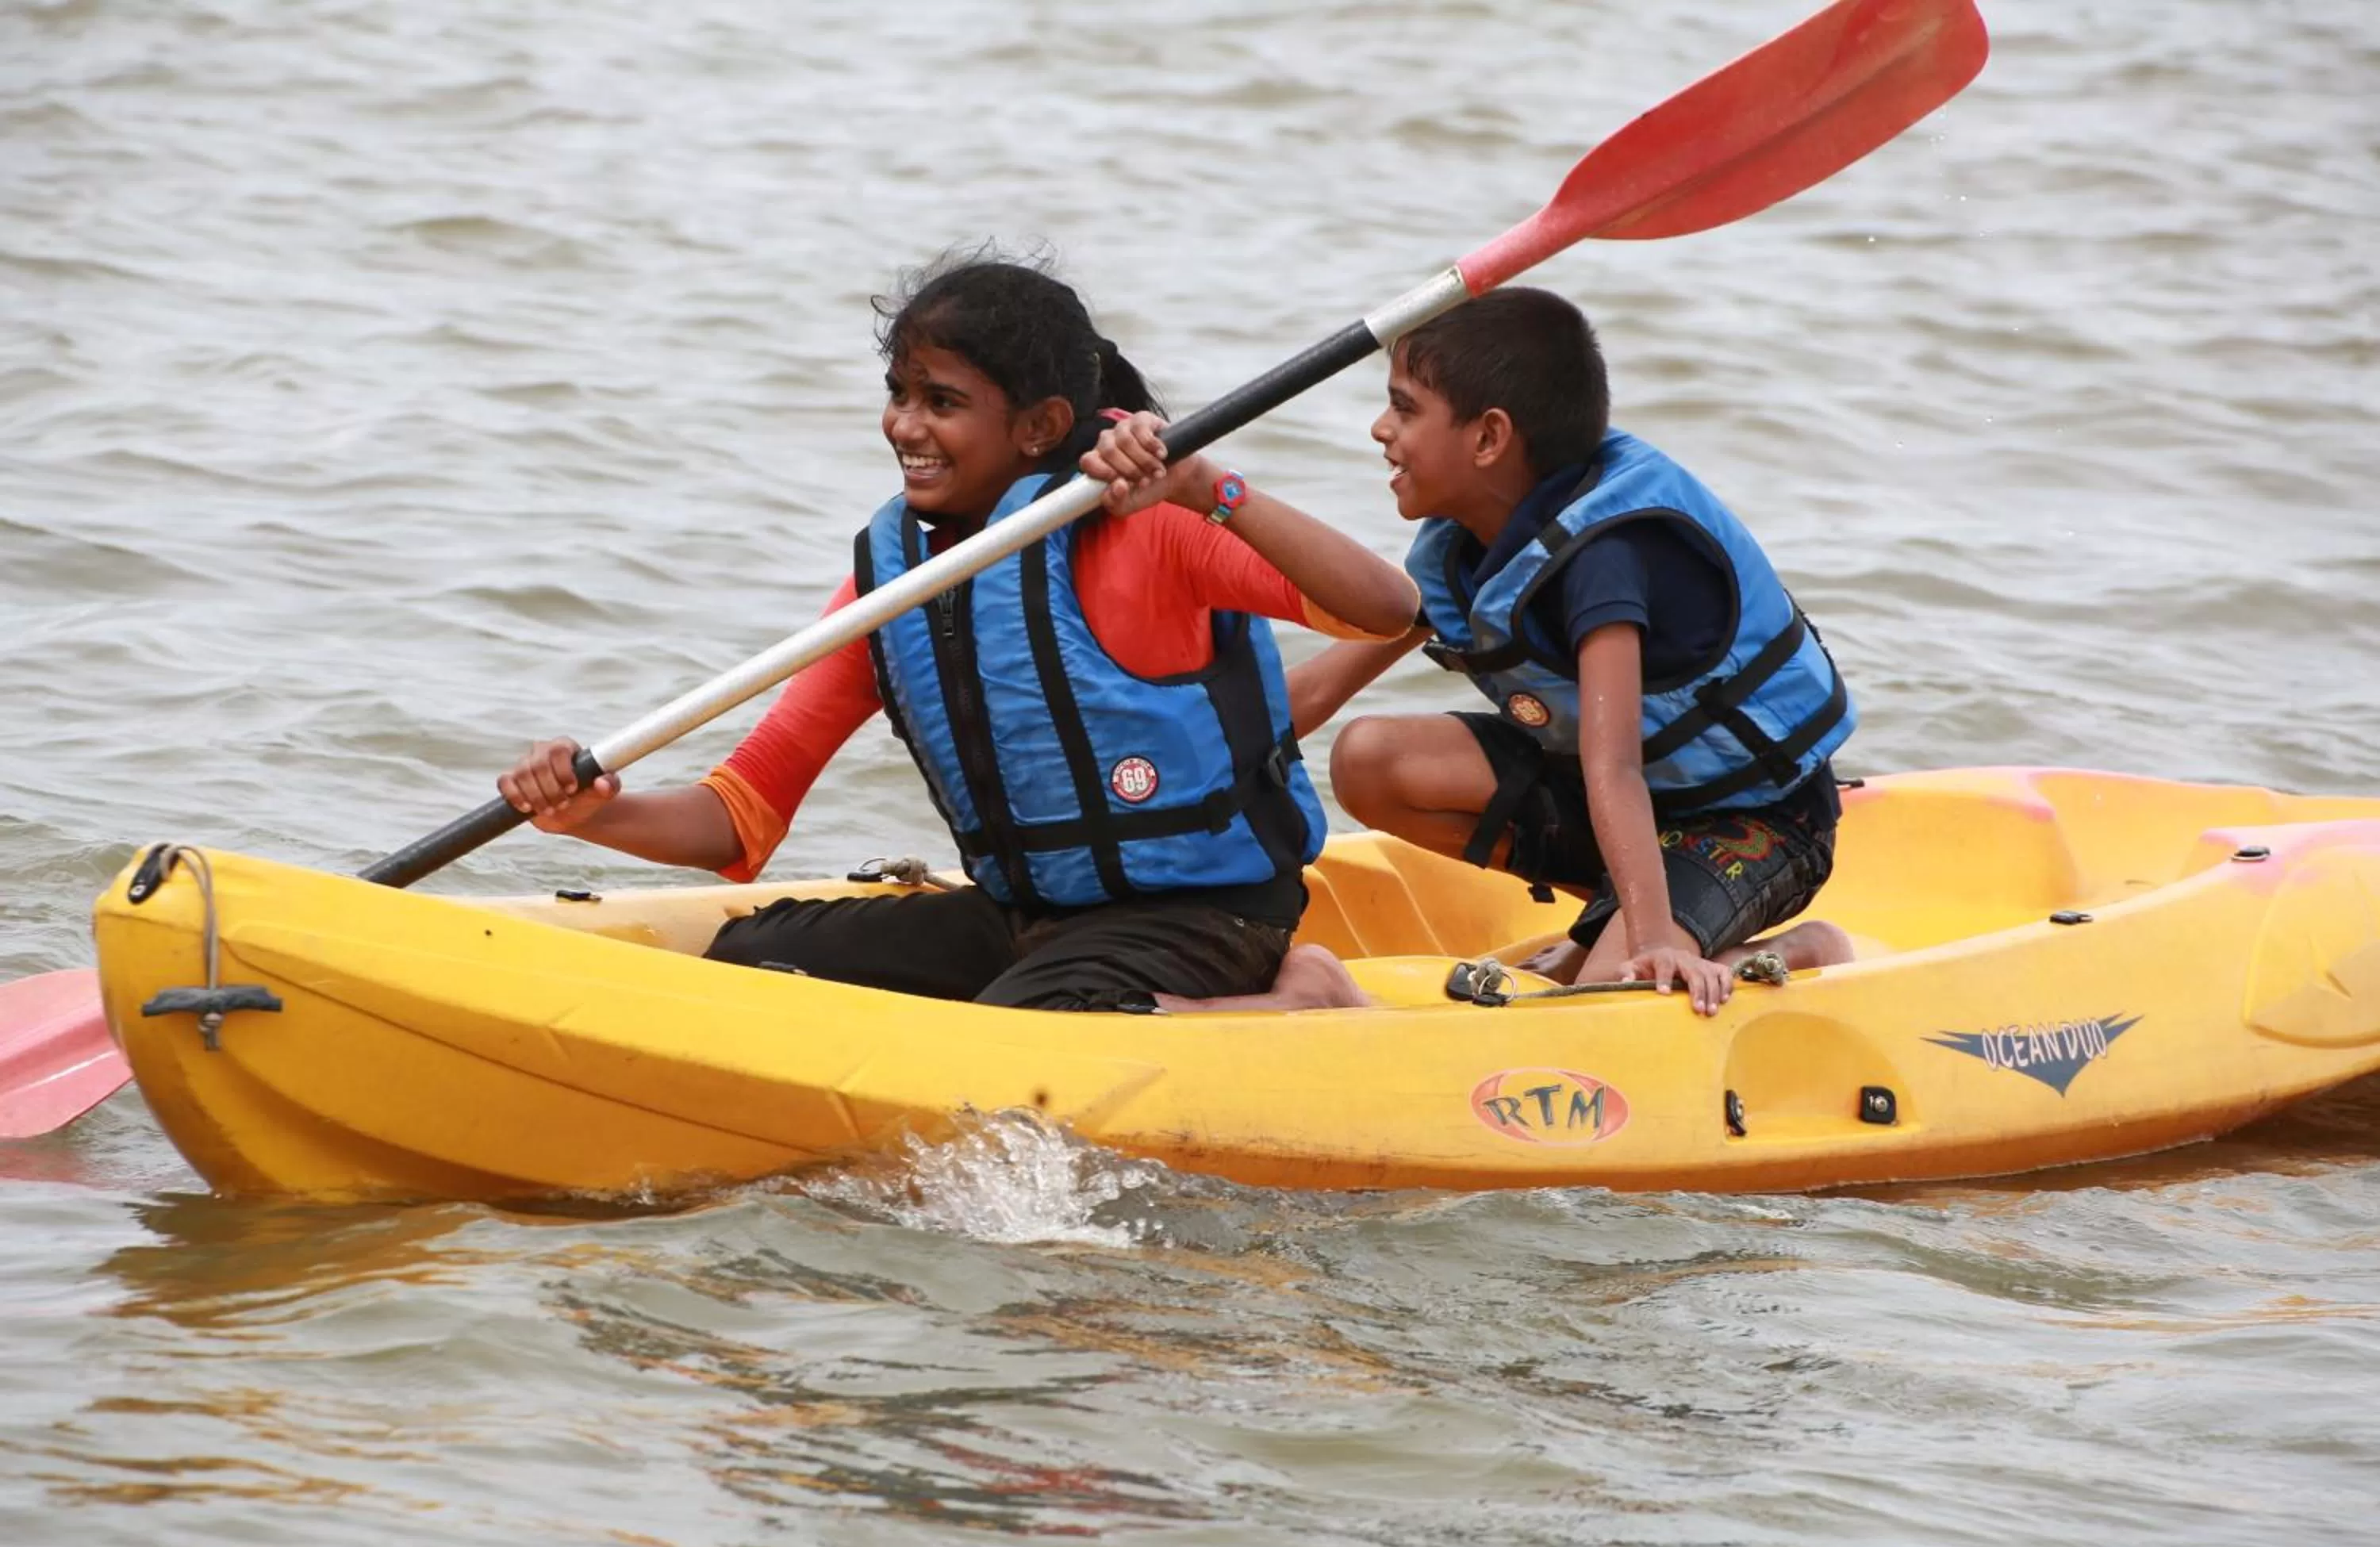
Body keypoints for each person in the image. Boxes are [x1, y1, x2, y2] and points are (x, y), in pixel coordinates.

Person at [496, 249, 1419, 1012]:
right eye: (899, 393)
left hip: (1210, 922)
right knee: (747, 959)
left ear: (1040, 427)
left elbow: (1384, 607)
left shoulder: (1150, 523)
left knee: (1035, 1030)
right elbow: (737, 819)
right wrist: (594, 812)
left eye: (941, 402)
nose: (905, 425)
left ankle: (1295, 1000)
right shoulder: (899, 583)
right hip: (1026, 916)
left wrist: (1210, 487)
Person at [1267, 286, 1857, 1015]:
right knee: (1370, 760)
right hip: (1625, 811)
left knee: (1614, 1000)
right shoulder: (1463, 551)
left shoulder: (1602, 560)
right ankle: (1619, 916)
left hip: (1752, 820)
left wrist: (1650, 942)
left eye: (1406, 408)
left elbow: (1614, 765)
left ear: (1488, 439)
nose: (1380, 429)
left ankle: (1792, 947)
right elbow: (1318, 692)